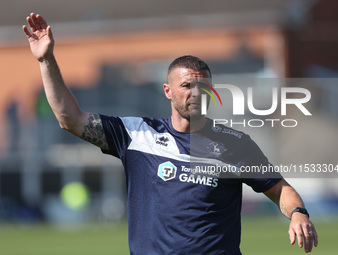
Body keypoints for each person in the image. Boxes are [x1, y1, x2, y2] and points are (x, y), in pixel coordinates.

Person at [23, 13, 318, 254]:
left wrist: (298, 213)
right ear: (168, 91)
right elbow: (69, 118)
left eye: (203, 87)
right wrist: (45, 60)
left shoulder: (235, 144)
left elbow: (280, 190)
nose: (195, 93)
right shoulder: (137, 134)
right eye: (187, 86)